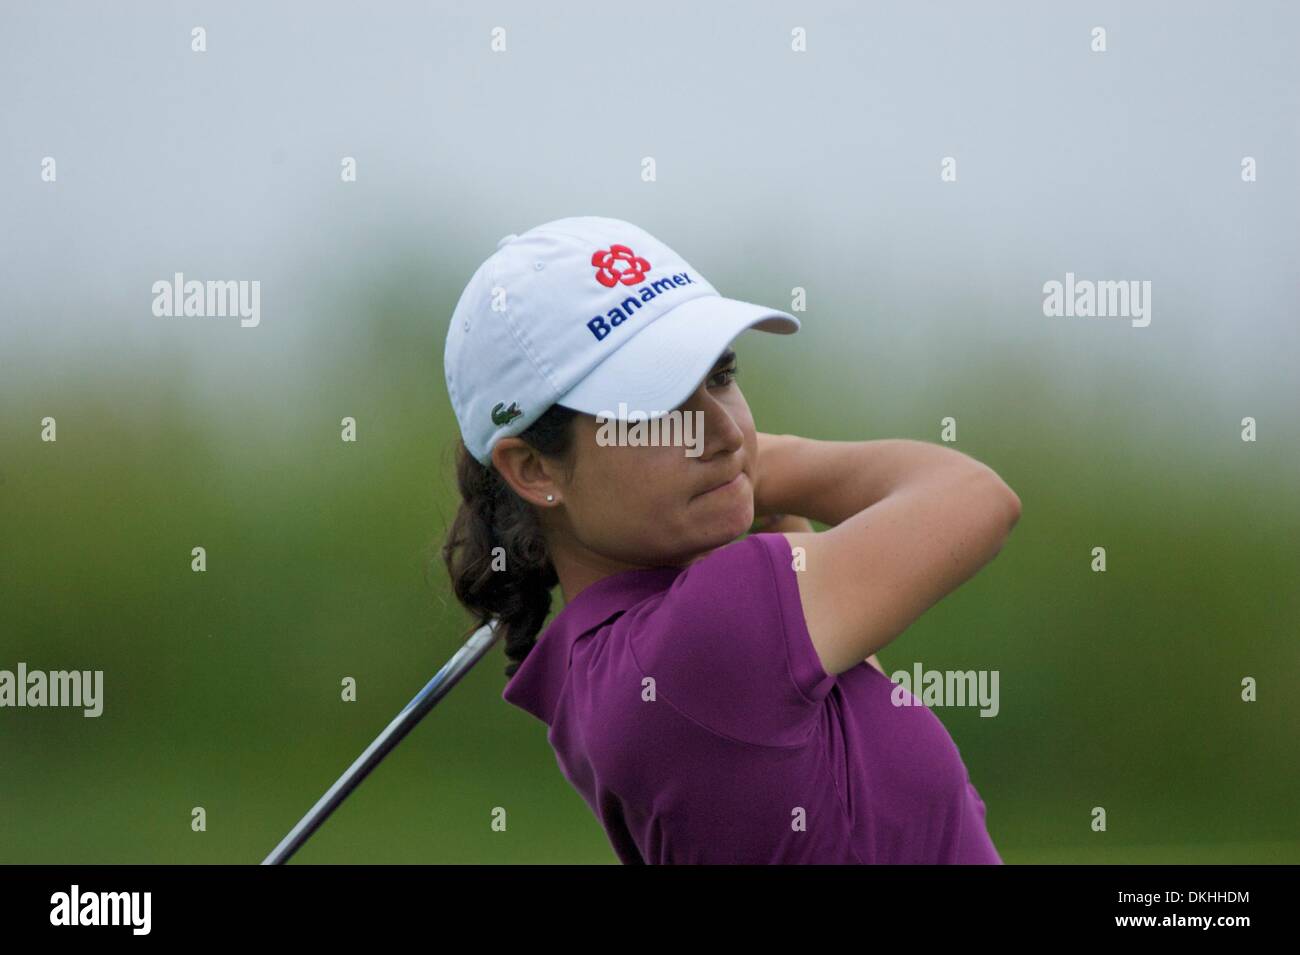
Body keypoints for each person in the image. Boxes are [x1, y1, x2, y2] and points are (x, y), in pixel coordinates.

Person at [441, 215, 1021, 863]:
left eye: (720, 376)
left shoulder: (610, 662)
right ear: (534, 468)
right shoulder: (705, 631)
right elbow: (976, 497)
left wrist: (737, 482)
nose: (720, 428)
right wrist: (767, 463)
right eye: (659, 409)